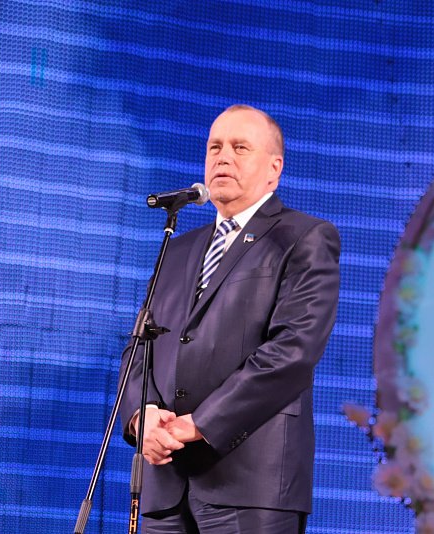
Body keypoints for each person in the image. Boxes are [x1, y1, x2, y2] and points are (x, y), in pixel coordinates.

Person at [119, 104, 341, 533]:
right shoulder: (177, 248)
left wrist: (200, 424)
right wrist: (141, 416)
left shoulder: (303, 238)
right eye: (215, 147)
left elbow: (292, 351)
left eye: (240, 148)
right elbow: (139, 348)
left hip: (250, 487)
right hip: (165, 486)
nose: (223, 158)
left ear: (274, 168)